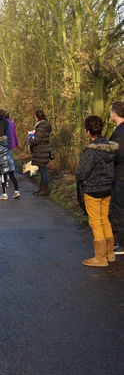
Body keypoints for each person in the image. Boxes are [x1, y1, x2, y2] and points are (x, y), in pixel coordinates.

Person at [76, 116, 118, 267]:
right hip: (107, 189)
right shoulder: (111, 150)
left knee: (95, 222)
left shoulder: (91, 152)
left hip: (93, 190)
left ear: (88, 132)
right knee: (105, 219)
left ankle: (100, 258)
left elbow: (81, 173)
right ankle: (110, 253)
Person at [109, 101, 124, 255]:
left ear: (114, 113)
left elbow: (118, 155)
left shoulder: (120, 133)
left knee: (120, 210)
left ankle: (122, 243)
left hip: (120, 175)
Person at [29, 109, 52, 197]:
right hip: (44, 150)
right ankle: (42, 188)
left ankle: (44, 190)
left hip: (41, 150)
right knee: (42, 169)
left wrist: (30, 139)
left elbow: (37, 139)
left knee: (43, 171)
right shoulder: (45, 125)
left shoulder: (41, 126)